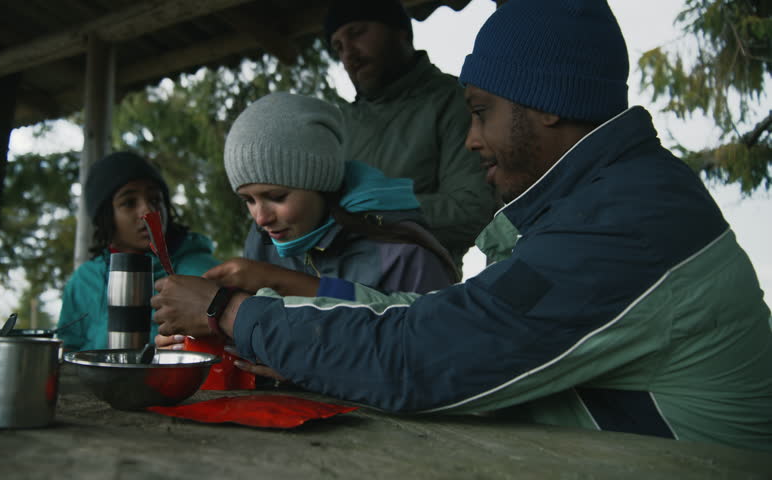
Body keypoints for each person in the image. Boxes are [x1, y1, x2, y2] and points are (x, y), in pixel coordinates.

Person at [150, 0, 772, 451]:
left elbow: (416, 356)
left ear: (547, 102)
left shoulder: (624, 229)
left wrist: (231, 313)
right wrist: (297, 298)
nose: (471, 139)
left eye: (479, 112)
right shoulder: (610, 202)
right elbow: (434, 319)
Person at [203, 92, 459, 299]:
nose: (260, 218)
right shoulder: (262, 243)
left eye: (277, 196)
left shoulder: (403, 255)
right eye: (248, 200)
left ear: (322, 182)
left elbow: (433, 349)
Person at [324, 0, 498, 271]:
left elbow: (473, 211)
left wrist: (365, 212)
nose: (349, 54)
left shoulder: (452, 101)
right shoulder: (338, 122)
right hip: (328, 290)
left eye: (357, 33)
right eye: (338, 47)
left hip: (415, 291)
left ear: (400, 32)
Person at [58, 151, 220, 351]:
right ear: (106, 217)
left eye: (155, 199)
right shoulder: (84, 281)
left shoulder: (202, 271)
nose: (147, 211)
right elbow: (67, 353)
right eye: (129, 202)